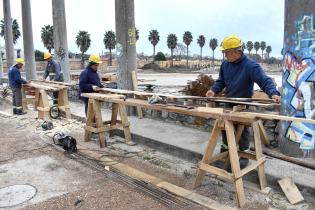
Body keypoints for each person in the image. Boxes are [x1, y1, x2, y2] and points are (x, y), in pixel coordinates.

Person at [206, 35, 281, 168]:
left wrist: (273, 93)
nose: (224, 55)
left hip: (243, 105)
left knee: (243, 130)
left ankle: (243, 155)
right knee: (225, 128)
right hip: (229, 102)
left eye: (226, 52)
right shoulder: (225, 65)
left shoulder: (250, 66)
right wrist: (213, 90)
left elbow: (265, 80)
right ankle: (226, 151)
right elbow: (221, 81)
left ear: (236, 51)